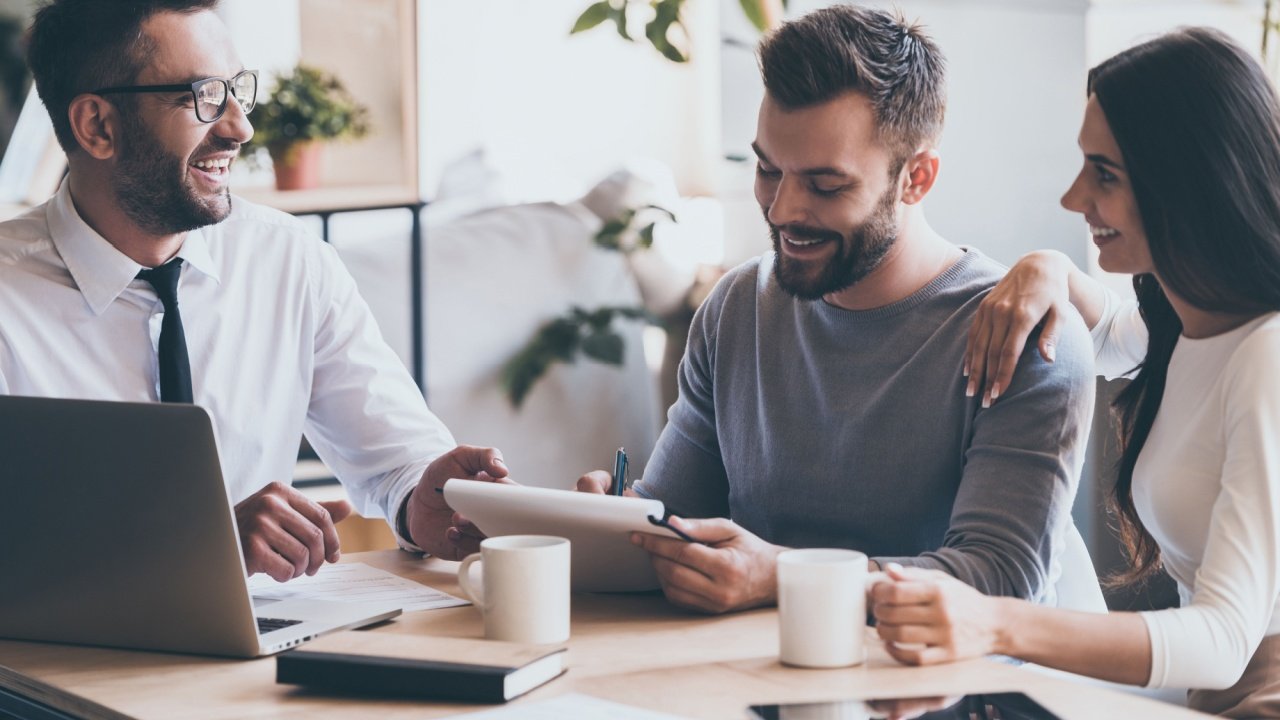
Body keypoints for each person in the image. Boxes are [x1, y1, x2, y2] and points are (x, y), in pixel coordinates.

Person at [579, 5, 1097, 615]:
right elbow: (679, 524)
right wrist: (614, 525)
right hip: (756, 684)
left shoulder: (1025, 336)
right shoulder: (736, 309)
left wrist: (788, 576)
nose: (782, 210)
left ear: (917, 178)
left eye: (826, 185)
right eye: (769, 170)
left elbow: (1002, 578)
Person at [0, 0, 500, 582]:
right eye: (203, 96)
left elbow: (397, 460)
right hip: (55, 662)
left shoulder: (289, 260)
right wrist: (197, 547)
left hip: (269, 647)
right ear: (98, 126)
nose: (240, 127)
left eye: (237, 89)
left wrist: (424, 504)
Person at [871, 28, 1280, 718]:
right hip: (1204, 693)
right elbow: (1111, 335)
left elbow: (1221, 640)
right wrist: (1046, 268)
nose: (1072, 197)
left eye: (1105, 174)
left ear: (1189, 183)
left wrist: (992, 620)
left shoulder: (1267, 357)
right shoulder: (1190, 317)